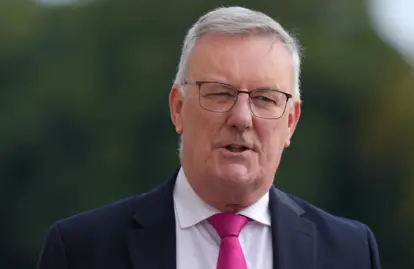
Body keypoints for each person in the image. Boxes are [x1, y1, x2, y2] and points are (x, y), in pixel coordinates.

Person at [37, 6, 381, 269]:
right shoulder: (82, 250)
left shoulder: (349, 251)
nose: (242, 118)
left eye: (264, 98)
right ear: (177, 108)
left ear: (290, 122)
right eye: (219, 93)